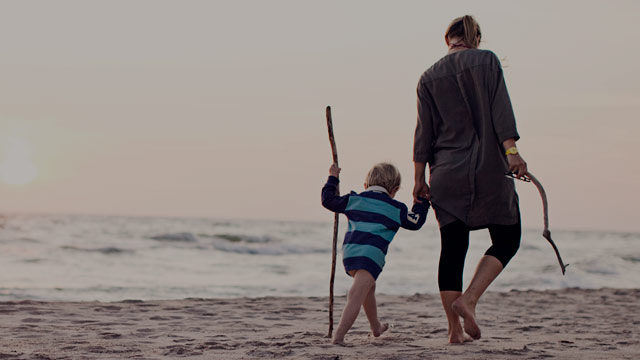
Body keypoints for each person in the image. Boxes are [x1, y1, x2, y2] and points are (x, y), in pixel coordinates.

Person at [413, 15, 528, 344]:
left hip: (445, 172)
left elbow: (424, 133)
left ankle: (453, 331)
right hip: (488, 167)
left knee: (452, 247)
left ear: (447, 38)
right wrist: (512, 153)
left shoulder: (427, 77)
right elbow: (500, 111)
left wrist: (419, 178)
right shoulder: (486, 61)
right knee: (508, 238)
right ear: (474, 36)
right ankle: (471, 299)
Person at [322, 162, 429, 344]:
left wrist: (333, 178)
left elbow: (328, 200)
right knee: (357, 294)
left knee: (368, 289)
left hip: (350, 253)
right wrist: (423, 202)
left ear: (366, 185)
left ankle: (375, 327)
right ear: (394, 189)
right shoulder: (396, 208)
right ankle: (338, 337)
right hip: (371, 256)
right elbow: (416, 221)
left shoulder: (354, 199)